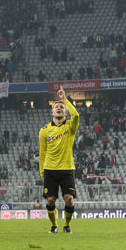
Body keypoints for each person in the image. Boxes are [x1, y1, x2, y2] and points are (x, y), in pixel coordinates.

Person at [39, 87, 79, 234]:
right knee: (50, 200)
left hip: (67, 168)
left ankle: (67, 225)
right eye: (57, 107)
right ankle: (54, 225)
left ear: (65, 111)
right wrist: (42, 171)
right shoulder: (44, 130)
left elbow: (76, 115)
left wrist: (64, 99)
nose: (59, 109)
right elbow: (42, 153)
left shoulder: (70, 127)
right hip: (50, 169)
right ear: (52, 111)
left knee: (69, 198)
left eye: (61, 107)